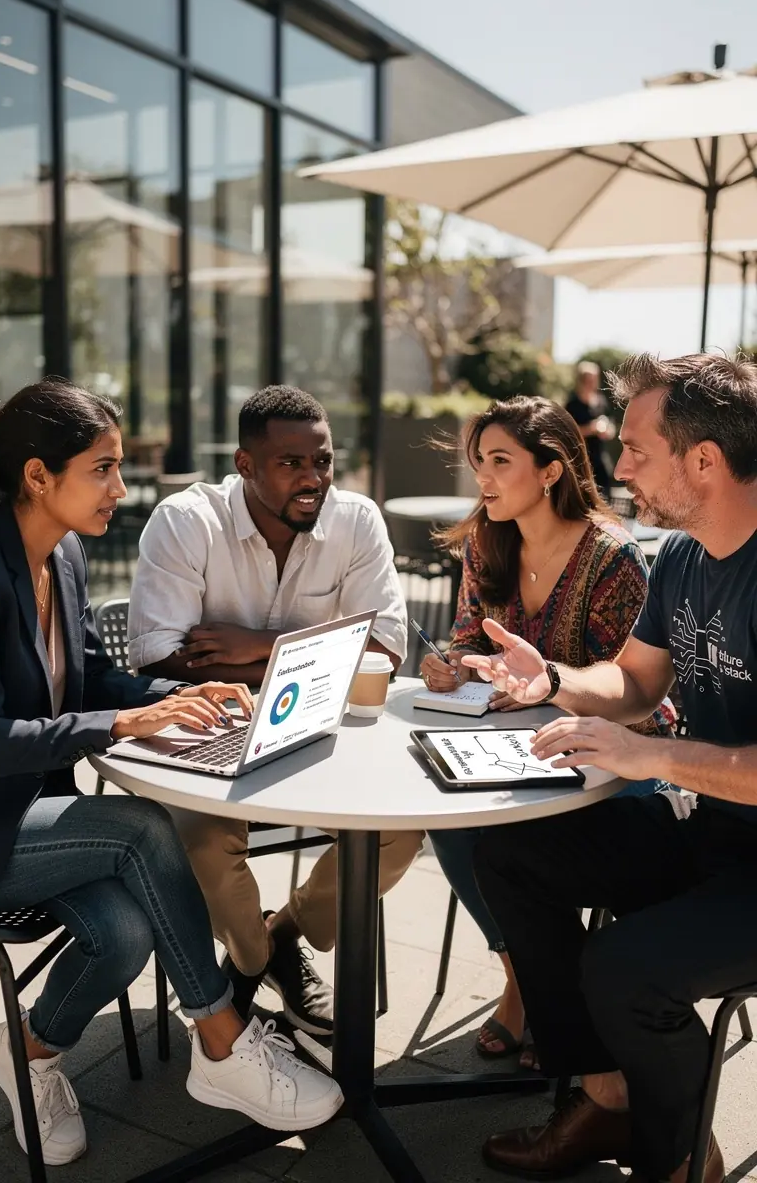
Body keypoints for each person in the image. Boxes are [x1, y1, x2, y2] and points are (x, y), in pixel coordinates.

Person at [0, 379, 343, 1168]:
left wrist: (188, 697)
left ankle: (27, 1052)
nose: (120, 489)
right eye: (103, 469)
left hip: (39, 823)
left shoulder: (64, 554)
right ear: (37, 476)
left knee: (122, 934)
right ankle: (222, 1041)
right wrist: (123, 724)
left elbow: (95, 683)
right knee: (143, 830)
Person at [461, 352, 757, 1183]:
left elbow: (649, 731)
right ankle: (605, 1096)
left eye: (634, 448)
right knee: (513, 851)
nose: (614, 464)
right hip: (716, 825)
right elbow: (634, 680)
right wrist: (553, 681)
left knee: (624, 969)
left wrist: (651, 753)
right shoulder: (685, 556)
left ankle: (682, 1160)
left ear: (704, 460)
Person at [128, 385, 419, 1036]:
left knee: (402, 831)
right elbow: (160, 661)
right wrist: (324, 658)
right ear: (244, 464)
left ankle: (286, 932)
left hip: (321, 731)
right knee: (204, 841)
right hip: (210, 730)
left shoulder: (356, 520)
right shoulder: (186, 523)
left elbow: (384, 652)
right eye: (291, 464)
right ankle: (255, 962)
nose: (313, 478)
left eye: (323, 461)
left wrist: (256, 647)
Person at [420, 395, 673, 1070]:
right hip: (513, 751)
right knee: (448, 817)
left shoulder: (612, 556)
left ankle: (552, 991)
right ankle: (522, 978)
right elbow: (471, 640)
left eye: (500, 461)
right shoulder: (486, 539)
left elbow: (638, 693)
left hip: (612, 762)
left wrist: (549, 688)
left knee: (509, 839)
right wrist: (451, 668)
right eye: (479, 463)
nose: (484, 478)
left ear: (552, 470)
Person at [566, 360, 616, 496]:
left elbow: (611, 426)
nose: (591, 383)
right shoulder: (572, 404)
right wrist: (590, 429)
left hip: (600, 458)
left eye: (594, 379)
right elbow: (567, 433)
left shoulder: (601, 401)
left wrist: (607, 430)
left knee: (605, 496)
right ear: (581, 380)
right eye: (588, 379)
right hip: (580, 461)